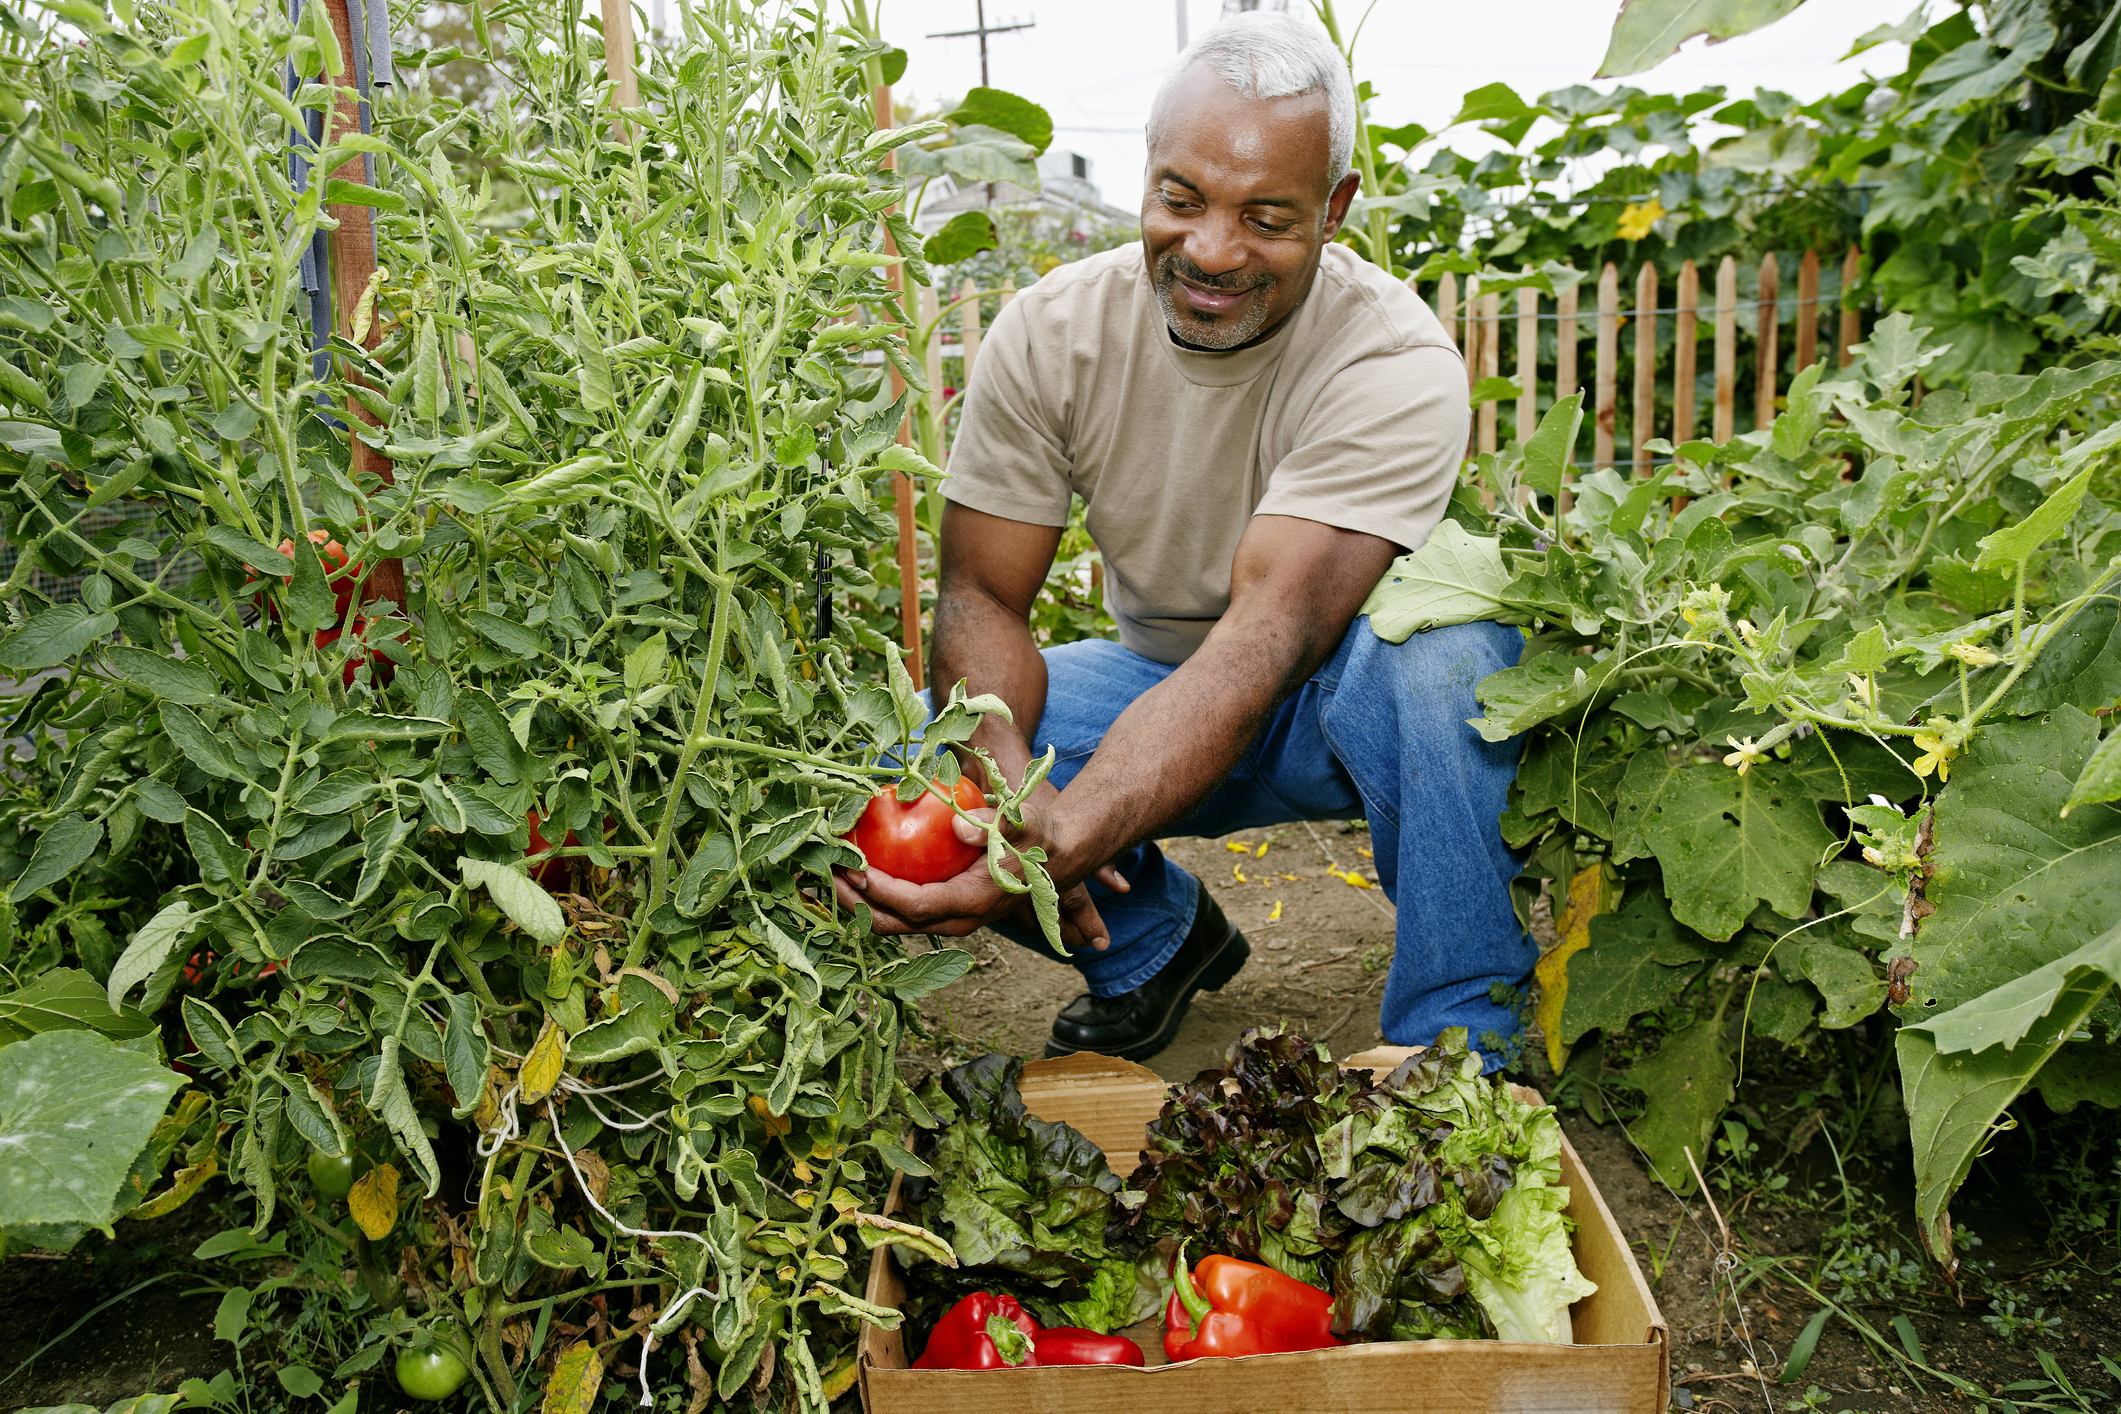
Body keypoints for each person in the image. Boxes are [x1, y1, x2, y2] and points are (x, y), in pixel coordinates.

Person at [834, 11, 1533, 1069]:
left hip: (1341, 696)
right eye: (1180, 198)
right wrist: (1013, 802)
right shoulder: (1052, 331)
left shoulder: (1392, 361)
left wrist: (1059, 841)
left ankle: (1459, 1053)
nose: (1212, 250)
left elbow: (1274, 635)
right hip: (1156, 684)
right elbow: (982, 599)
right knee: (920, 761)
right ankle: (1157, 947)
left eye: (1267, 216)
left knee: (1451, 669)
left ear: (1336, 209)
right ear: (1146, 175)